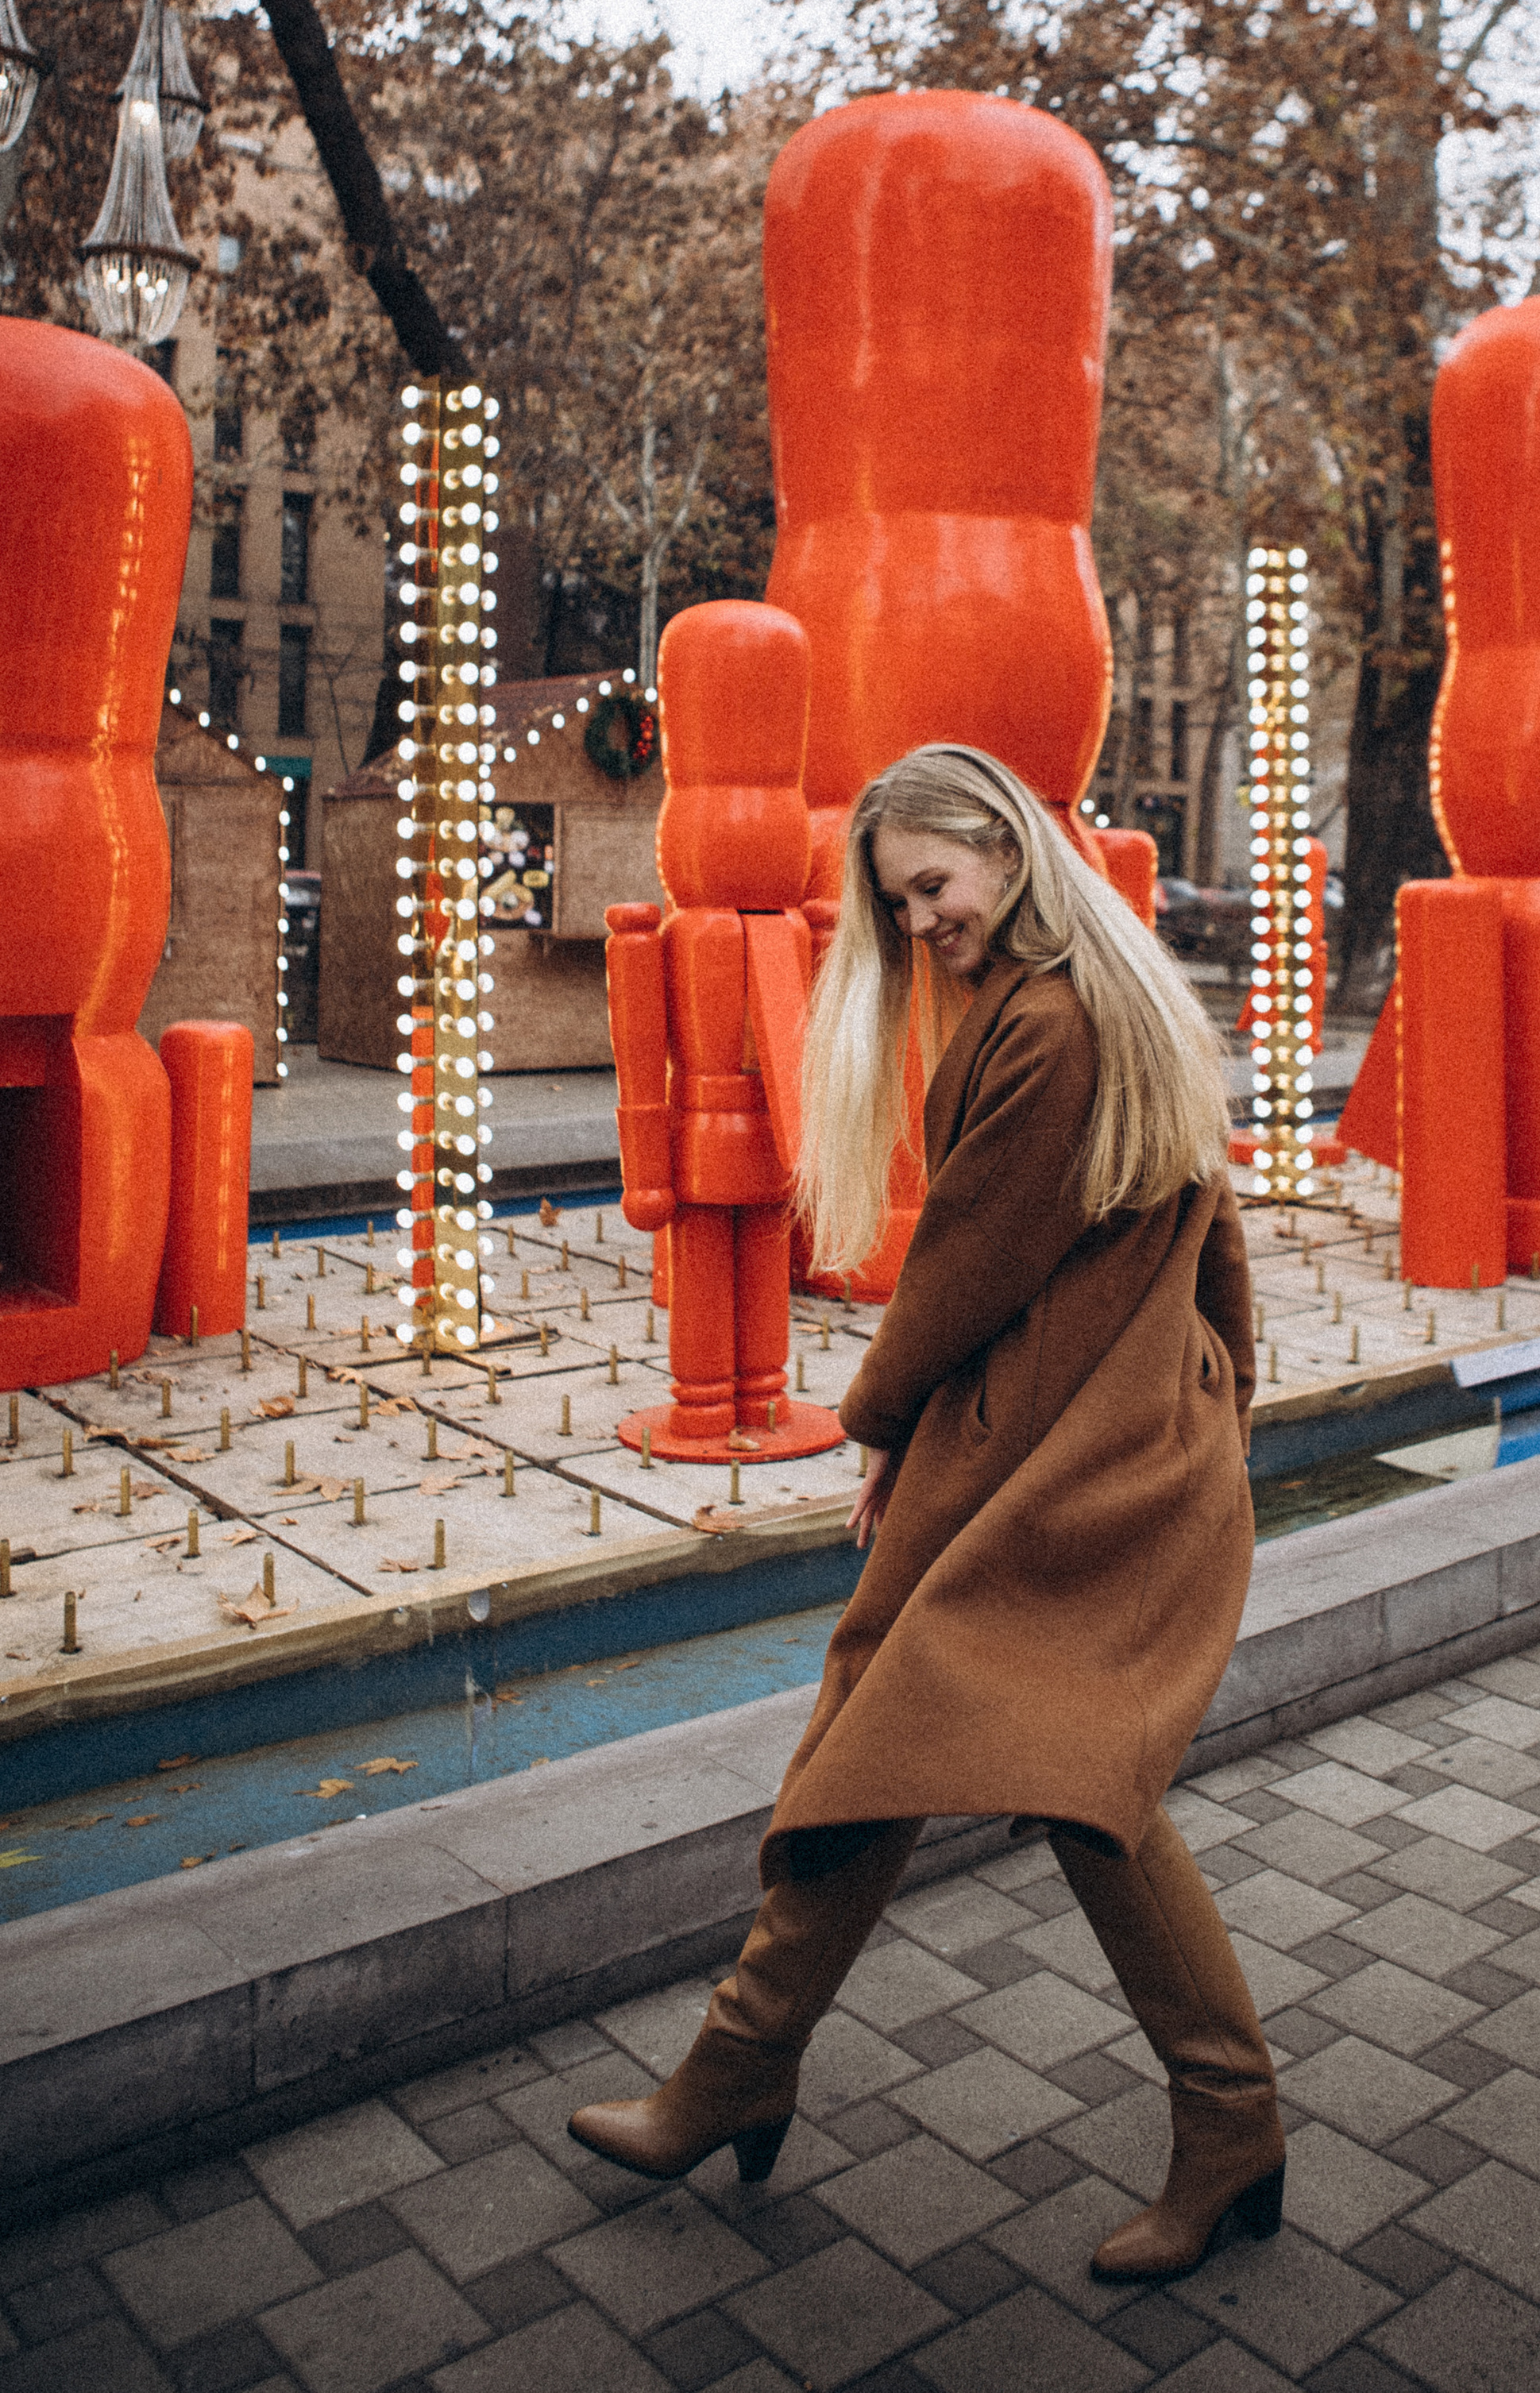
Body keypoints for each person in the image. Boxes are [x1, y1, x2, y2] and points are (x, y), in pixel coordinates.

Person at [568, 743, 1279, 2281]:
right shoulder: (1119, 993)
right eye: (895, 909)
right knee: (910, 1753)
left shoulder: (1045, 1024)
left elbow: (964, 1259)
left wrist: (874, 1425)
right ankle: (742, 2068)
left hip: (1059, 1456)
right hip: (1113, 1432)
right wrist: (1228, 1384)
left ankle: (1219, 2125)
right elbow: (1205, 1216)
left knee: (1036, 1776)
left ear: (1006, 856)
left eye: (930, 891)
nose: (915, 928)